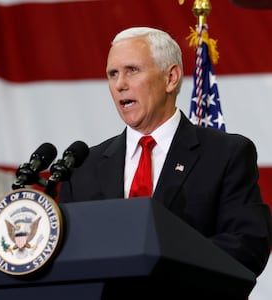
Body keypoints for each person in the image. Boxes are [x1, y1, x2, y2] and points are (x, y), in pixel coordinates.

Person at [59, 27, 271, 297]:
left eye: (132, 70)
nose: (120, 84)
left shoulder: (226, 154)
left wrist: (163, 263)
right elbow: (66, 254)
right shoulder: (84, 166)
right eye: (113, 74)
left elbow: (248, 246)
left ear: (171, 78)